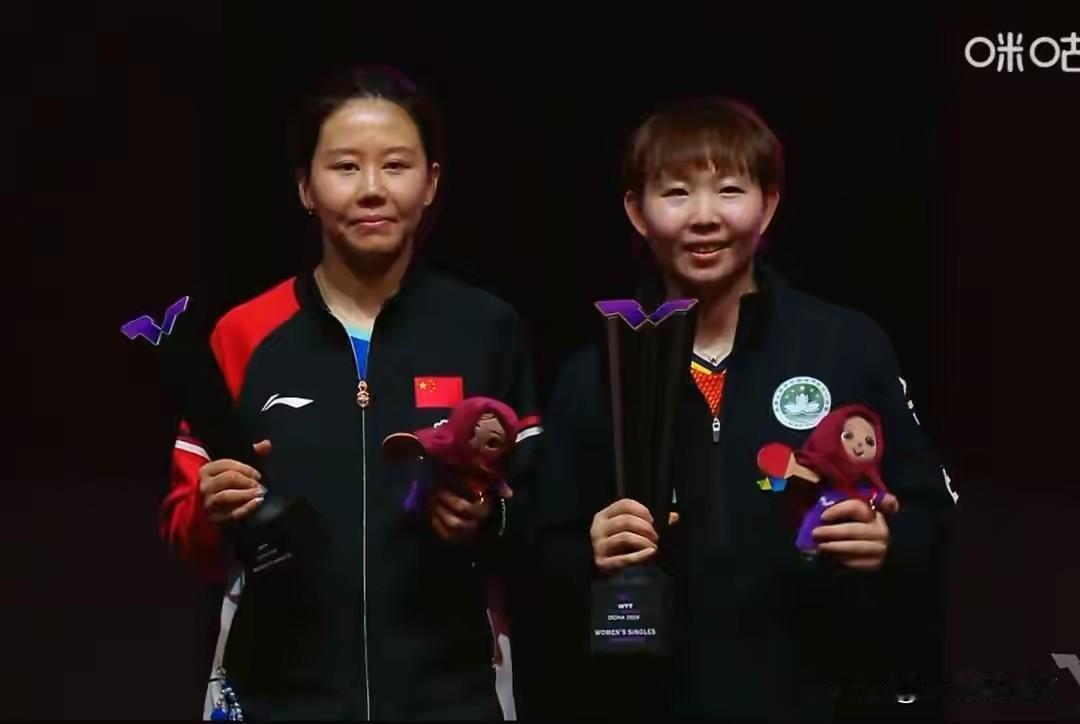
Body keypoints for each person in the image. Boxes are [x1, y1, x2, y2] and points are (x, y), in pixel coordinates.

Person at [533, 97, 957, 719]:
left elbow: (931, 509)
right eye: (676, 193)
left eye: (730, 190)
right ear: (637, 212)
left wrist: (888, 539)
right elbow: (541, 553)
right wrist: (588, 551)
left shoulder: (846, 345)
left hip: (815, 695)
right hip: (648, 700)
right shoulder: (594, 371)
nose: (705, 217)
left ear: (769, 205)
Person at [159, 64, 540, 720]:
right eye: (344, 167)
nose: (371, 189)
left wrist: (489, 519)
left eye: (395, 165)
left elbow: (540, 517)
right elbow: (185, 532)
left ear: (431, 183)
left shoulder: (486, 329)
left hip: (451, 698)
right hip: (279, 700)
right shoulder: (243, 333)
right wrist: (210, 509)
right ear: (306, 187)